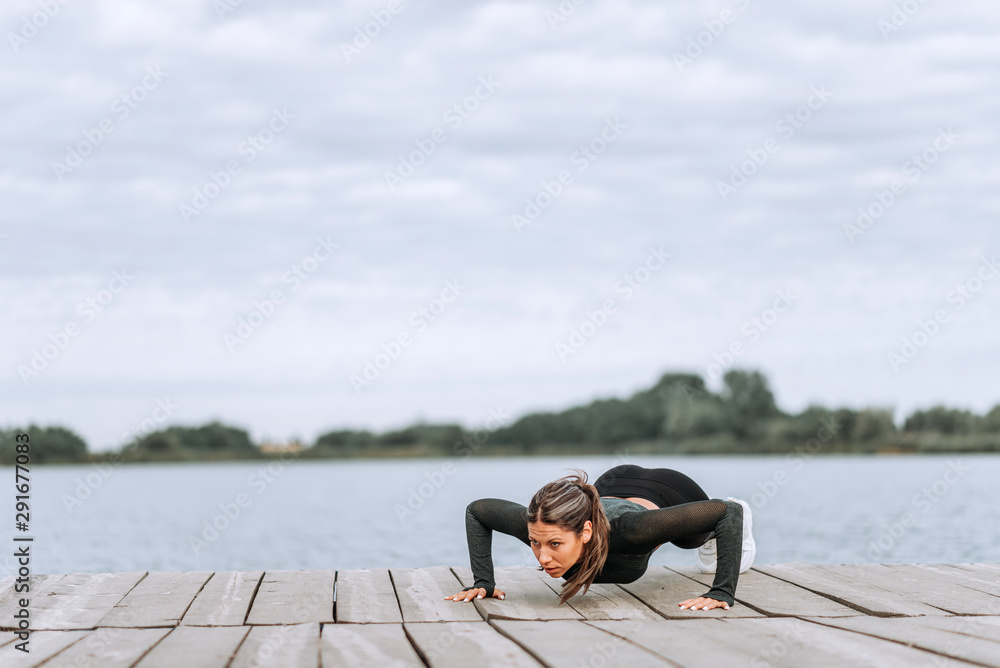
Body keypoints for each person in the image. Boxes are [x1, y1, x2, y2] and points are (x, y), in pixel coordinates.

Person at [444, 464, 755, 611]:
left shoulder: (632, 531)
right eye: (535, 543)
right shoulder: (539, 527)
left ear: (586, 532)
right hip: (612, 482)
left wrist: (721, 592)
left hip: (666, 488)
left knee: (691, 539)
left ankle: (716, 534)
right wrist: (483, 582)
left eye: (554, 545)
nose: (542, 556)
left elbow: (727, 513)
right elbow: (477, 511)